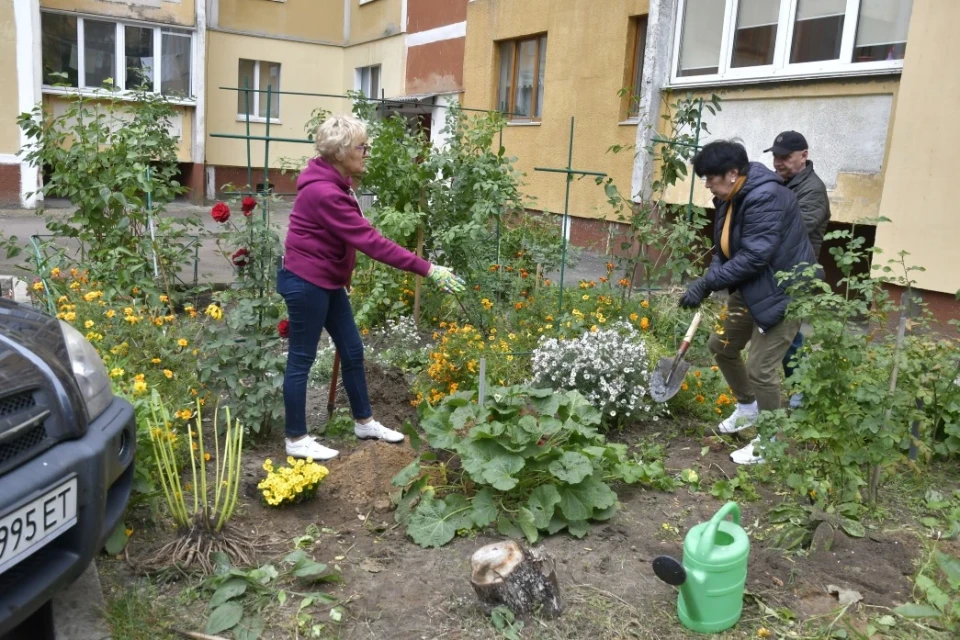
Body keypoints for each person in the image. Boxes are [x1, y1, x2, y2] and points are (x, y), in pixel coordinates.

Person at [278, 114, 464, 461]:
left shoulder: (335, 183)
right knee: (301, 360)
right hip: (307, 282)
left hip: (326, 281)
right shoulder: (325, 192)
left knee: (352, 350)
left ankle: (364, 421)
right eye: (362, 147)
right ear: (341, 151)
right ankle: (296, 439)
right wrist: (428, 268)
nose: (367, 152)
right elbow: (371, 242)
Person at [679, 140, 815, 465]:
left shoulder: (764, 196)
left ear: (732, 173)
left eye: (710, 177)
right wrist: (709, 280)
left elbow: (755, 255)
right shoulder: (731, 196)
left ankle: (770, 442)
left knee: (761, 368)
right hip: (752, 286)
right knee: (721, 345)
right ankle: (748, 409)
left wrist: (706, 283)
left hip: (783, 290)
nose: (707, 183)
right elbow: (723, 250)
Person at [766, 131, 831, 409]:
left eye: (785, 157)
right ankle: (799, 389)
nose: (778, 163)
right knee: (784, 332)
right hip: (775, 269)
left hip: (796, 273)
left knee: (789, 334)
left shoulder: (812, 190)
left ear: (804, 155)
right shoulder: (784, 182)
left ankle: (801, 391)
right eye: (776, 157)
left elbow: (794, 229)